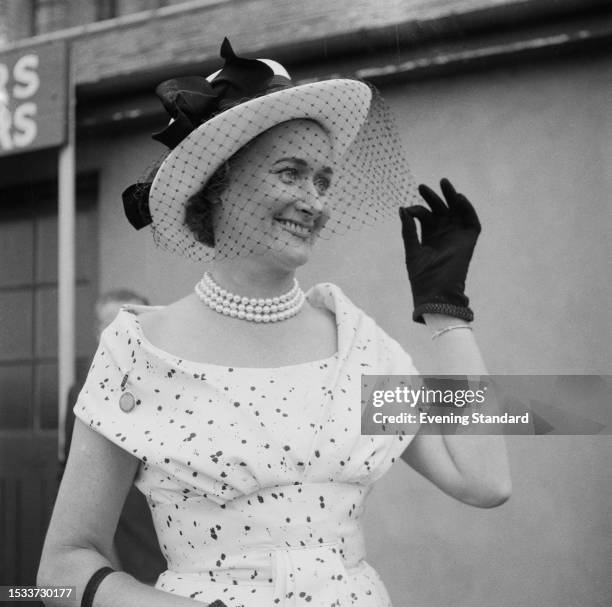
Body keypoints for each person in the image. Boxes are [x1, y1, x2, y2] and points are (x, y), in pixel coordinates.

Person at [38, 39, 511, 607]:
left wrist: (447, 313)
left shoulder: (353, 343)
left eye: (323, 180)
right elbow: (61, 568)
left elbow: (485, 481)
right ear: (218, 184)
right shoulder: (139, 352)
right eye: (291, 173)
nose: (314, 200)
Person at [63, 289, 166, 586]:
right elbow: (73, 473)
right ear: (99, 332)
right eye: (113, 324)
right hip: (119, 529)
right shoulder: (83, 390)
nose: (127, 332)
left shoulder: (170, 381)